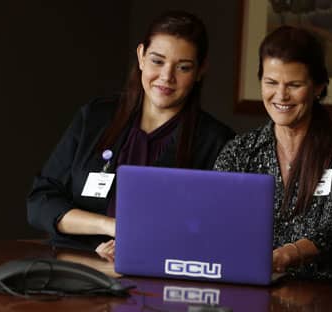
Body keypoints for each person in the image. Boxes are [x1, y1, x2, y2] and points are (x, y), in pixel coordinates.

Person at [27, 10, 235, 257]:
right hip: (78, 266)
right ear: (141, 56)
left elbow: (214, 229)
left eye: (183, 67)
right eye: (157, 61)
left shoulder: (216, 141)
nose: (166, 77)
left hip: (161, 275)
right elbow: (40, 202)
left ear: (200, 70)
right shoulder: (95, 117)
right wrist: (112, 227)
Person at [214, 26, 332, 286]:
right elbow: (215, 217)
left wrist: (287, 255)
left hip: (329, 290)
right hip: (255, 286)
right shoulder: (239, 151)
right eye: (271, 83)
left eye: (294, 85)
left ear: (318, 87)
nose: (281, 95)